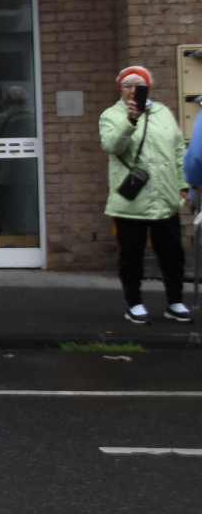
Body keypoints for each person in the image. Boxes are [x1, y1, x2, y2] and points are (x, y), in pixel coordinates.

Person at [100, 66, 191, 325]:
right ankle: (134, 303)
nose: (132, 90)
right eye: (127, 85)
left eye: (138, 85)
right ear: (120, 89)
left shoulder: (162, 112)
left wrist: (182, 185)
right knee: (132, 255)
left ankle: (175, 302)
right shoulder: (111, 115)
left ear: (147, 88)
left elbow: (178, 149)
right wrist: (130, 120)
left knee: (173, 253)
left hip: (165, 196)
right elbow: (111, 146)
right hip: (131, 199)